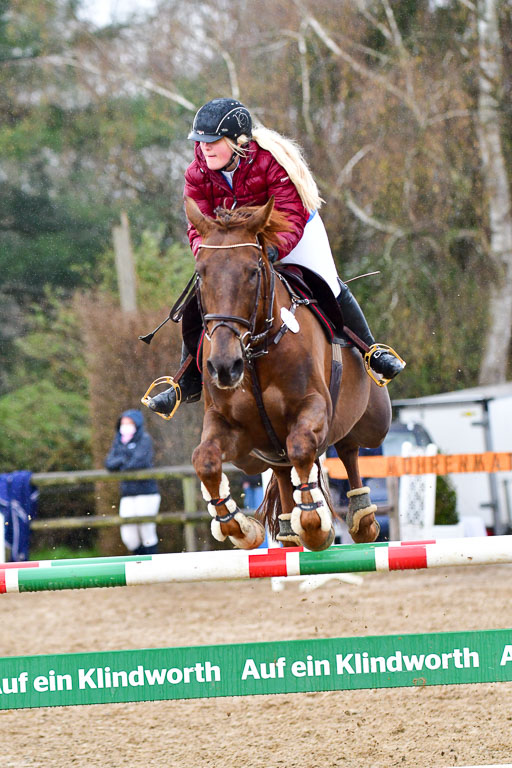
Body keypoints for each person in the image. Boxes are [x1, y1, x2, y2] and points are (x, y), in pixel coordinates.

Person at [148, 97, 405, 415]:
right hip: (235, 248)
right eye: (200, 141)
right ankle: (186, 380)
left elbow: (291, 215)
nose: (205, 148)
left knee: (327, 283)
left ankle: (371, 350)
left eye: (213, 141)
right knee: (207, 295)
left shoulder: (270, 161)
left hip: (291, 233)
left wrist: (271, 251)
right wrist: (209, 256)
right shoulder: (196, 173)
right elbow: (197, 227)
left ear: (238, 141)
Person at [105, 409, 161, 555]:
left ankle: (151, 563)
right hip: (127, 493)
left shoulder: (144, 439)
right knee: (129, 536)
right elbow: (109, 463)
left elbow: (137, 462)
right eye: (123, 423)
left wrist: (121, 461)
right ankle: (139, 561)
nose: (125, 426)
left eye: (129, 423)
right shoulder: (118, 441)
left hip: (146, 493)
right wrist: (124, 459)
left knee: (146, 531)